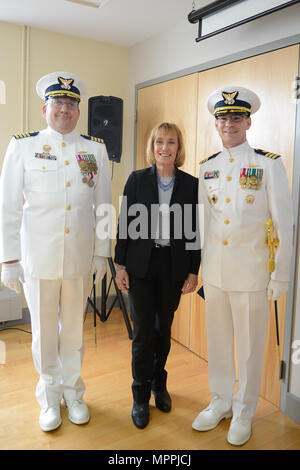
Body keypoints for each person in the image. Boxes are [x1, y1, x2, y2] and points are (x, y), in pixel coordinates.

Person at [0, 72, 111, 431]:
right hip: (39, 260)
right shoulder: (23, 146)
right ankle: (49, 397)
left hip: (78, 258)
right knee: (45, 332)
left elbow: (104, 205)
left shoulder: (95, 149)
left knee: (74, 332)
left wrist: (101, 253)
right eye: (58, 103)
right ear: (45, 108)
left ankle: (73, 392)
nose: (64, 109)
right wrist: (9, 260)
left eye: (71, 103)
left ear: (79, 110)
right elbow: (9, 207)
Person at [193, 86, 293, 446]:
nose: (229, 124)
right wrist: (198, 269)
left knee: (249, 348)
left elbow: (284, 223)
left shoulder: (269, 163)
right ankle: (220, 401)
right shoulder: (208, 167)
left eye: (236, 117)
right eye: (223, 118)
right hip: (217, 274)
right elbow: (202, 224)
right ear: (216, 125)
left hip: (252, 273)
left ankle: (244, 409)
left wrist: (280, 274)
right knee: (219, 344)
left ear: (248, 121)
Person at [114, 122, 200, 429]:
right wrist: (120, 265)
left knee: (164, 331)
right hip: (140, 266)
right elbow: (125, 223)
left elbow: (194, 231)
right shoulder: (137, 180)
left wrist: (193, 270)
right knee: (143, 333)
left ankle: (158, 384)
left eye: (171, 142)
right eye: (159, 142)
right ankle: (139, 396)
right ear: (152, 146)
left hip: (173, 267)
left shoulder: (191, 184)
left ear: (179, 148)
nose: (165, 148)